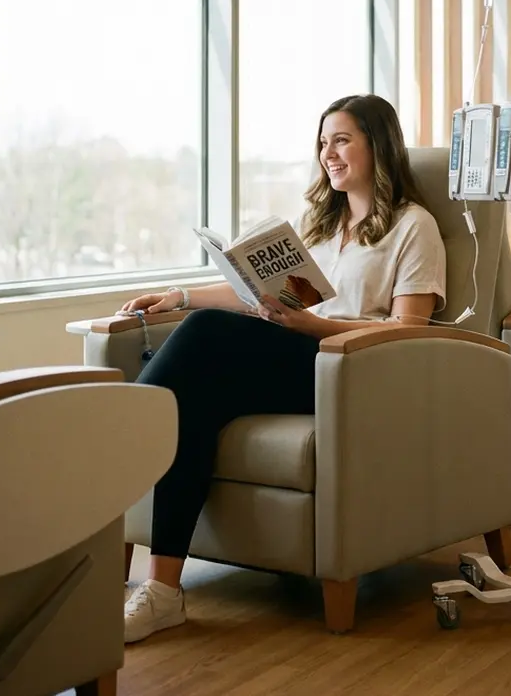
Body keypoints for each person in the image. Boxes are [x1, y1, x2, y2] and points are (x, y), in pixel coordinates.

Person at [120, 93, 446, 642]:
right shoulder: (319, 224)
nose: (329, 154)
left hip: (353, 371)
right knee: (193, 407)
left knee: (199, 338)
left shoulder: (414, 227)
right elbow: (259, 296)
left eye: (342, 140)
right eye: (323, 143)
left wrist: (312, 328)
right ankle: (163, 592)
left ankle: (122, 430)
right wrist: (176, 294)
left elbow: (409, 329)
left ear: (378, 146)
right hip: (294, 352)